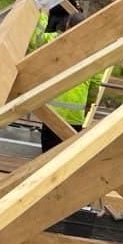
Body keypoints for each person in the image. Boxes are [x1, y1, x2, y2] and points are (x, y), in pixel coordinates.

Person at [31, 12, 102, 152]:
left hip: (52, 112)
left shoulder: (56, 41)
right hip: (75, 115)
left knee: (46, 157)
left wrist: (44, 14)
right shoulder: (93, 51)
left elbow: (36, 40)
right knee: (65, 157)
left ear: (67, 25)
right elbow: (95, 84)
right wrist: (89, 105)